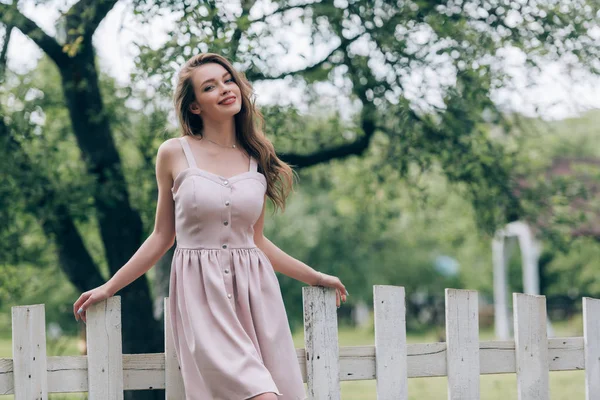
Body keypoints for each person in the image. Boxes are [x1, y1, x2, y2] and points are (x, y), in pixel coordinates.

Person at [72, 52, 348, 400]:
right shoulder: (173, 153)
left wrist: (316, 277)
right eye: (210, 86)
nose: (224, 89)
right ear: (194, 107)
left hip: (257, 294)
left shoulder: (256, 158)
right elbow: (161, 237)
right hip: (202, 296)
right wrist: (109, 288)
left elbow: (257, 241)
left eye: (228, 80)